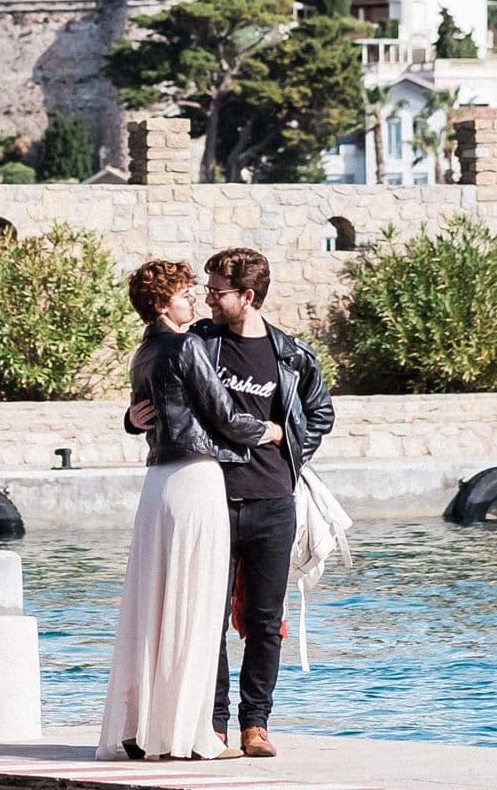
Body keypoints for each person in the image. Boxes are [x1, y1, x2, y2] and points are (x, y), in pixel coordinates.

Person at [126, 246, 335, 759]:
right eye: (207, 290)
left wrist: (290, 455)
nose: (208, 299)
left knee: (265, 622)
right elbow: (160, 398)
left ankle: (255, 724)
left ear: (248, 296)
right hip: (211, 498)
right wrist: (131, 420)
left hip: (272, 501)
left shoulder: (292, 355)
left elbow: (320, 415)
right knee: (207, 619)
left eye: (218, 292)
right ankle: (213, 726)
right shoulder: (198, 342)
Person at [96, 258, 285, 763]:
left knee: (154, 606)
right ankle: (191, 734)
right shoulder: (187, 345)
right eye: (184, 292)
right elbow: (223, 414)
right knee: (196, 610)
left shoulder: (143, 351)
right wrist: (268, 432)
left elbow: (148, 409)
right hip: (195, 479)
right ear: (163, 303)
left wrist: (132, 423)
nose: (194, 298)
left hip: (157, 484)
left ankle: (144, 728)